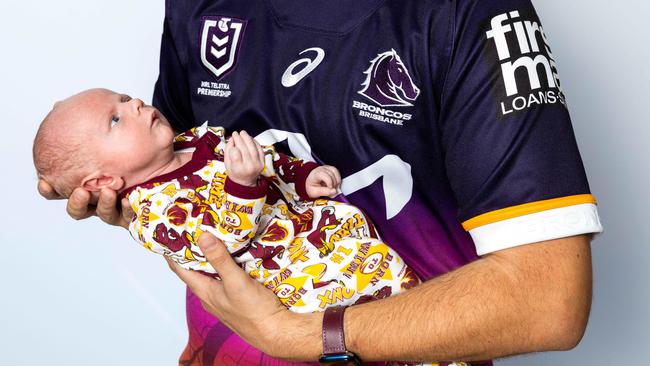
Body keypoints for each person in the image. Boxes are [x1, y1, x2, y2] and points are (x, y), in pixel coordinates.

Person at [38, 0, 603, 364]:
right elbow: (179, 168)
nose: (132, 109)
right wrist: (127, 199)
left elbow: (548, 300)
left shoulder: (469, 13)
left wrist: (303, 336)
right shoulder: (195, 7)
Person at [33, 88, 421, 313]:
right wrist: (240, 183)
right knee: (389, 316)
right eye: (114, 120)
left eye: (125, 98)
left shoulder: (195, 141)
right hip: (303, 279)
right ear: (104, 180)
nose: (134, 104)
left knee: (404, 289)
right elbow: (220, 241)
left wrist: (301, 176)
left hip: (331, 235)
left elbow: (261, 158)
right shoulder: (152, 214)